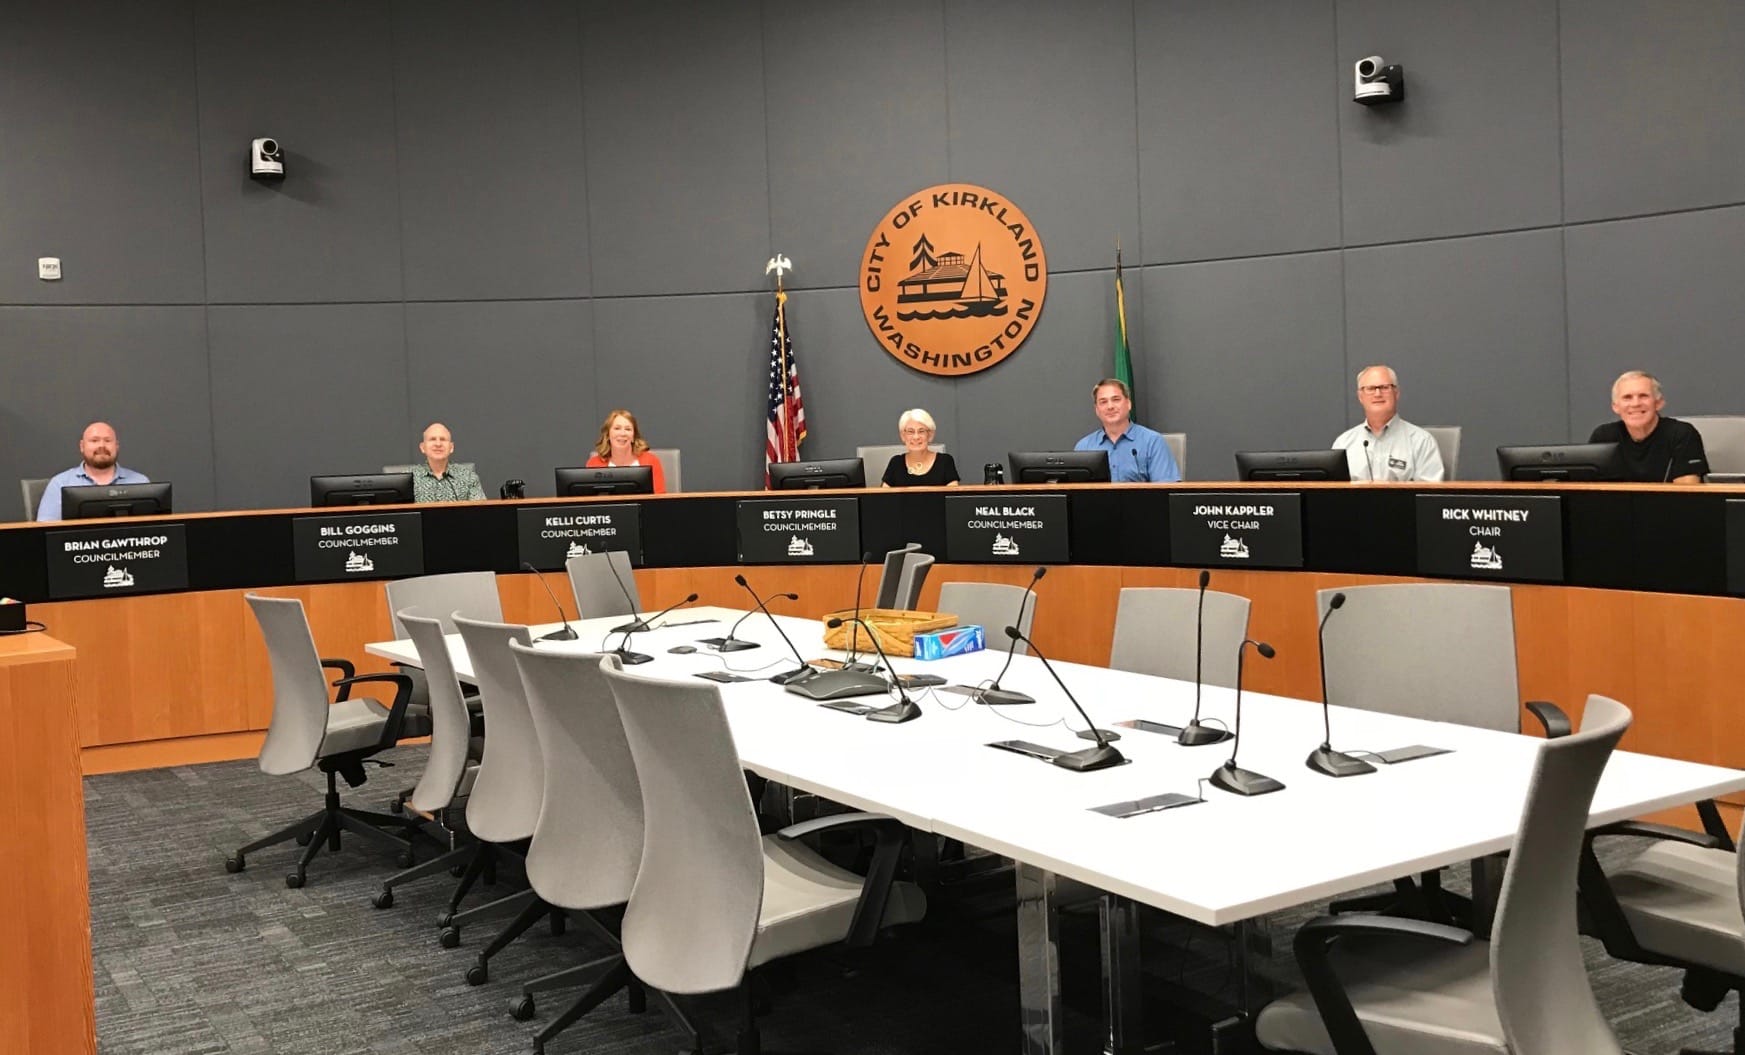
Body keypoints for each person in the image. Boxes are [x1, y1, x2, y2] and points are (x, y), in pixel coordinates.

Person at [1588, 370, 1708, 484]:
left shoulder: (1682, 434)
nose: (1635, 404)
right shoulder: (1604, 436)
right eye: (1627, 397)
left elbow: (1688, 495)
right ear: (1615, 407)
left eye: (1643, 396)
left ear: (1658, 403)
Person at [1330, 365, 1445, 482]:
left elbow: (1429, 494)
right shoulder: (1343, 443)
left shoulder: (1421, 441)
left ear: (1396, 393)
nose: (1378, 394)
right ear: (1360, 396)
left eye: (1385, 387)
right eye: (1370, 388)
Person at [35, 421, 149, 521]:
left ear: (117, 446)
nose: (102, 446)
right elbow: (45, 531)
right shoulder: (60, 484)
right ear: (82, 446)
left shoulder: (140, 482)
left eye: (108, 440)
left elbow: (154, 531)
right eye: (94, 440)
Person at [1072, 378, 1179, 483]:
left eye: (1116, 400)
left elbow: (1165, 491)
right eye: (1103, 402)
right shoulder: (1084, 447)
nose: (1110, 406)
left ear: (1128, 404)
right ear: (1097, 410)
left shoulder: (1152, 441)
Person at [586, 409, 667, 493]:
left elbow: (659, 498)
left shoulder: (651, 461)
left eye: (628, 429)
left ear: (633, 437)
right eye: (617, 428)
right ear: (608, 435)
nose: (622, 433)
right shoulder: (594, 464)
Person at [880, 409, 960, 487]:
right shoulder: (896, 463)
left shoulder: (945, 462)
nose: (916, 437)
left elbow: (953, 497)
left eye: (921, 431)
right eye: (910, 432)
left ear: (930, 435)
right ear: (903, 436)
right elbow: (882, 496)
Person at [409, 422, 486, 502]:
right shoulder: (410, 478)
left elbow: (480, 510)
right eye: (432, 439)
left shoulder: (468, 477)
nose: (438, 444)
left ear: (451, 447)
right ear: (422, 447)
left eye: (443, 439)